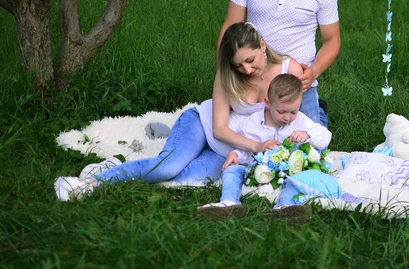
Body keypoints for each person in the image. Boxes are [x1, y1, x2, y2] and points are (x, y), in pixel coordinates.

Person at [54, 22, 304, 201]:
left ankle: (116, 166)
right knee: (167, 167)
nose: (247, 70)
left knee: (182, 179)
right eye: (239, 65)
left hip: (229, 152)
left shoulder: (288, 68)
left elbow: (298, 115)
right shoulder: (227, 76)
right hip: (204, 126)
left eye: (250, 61)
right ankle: (89, 183)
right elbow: (219, 128)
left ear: (262, 45)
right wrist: (256, 147)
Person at [217, 0, 340, 128]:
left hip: (297, 84)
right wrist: (225, 71)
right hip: (252, 78)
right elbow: (231, 26)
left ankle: (317, 111)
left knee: (314, 149)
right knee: (242, 144)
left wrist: (314, 72)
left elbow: (332, 40)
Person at [196, 74, 331, 218]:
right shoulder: (252, 123)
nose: (287, 117)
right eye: (281, 112)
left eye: (293, 112)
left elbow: (325, 136)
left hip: (289, 171)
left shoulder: (301, 121)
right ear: (267, 103)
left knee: (299, 179)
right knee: (232, 170)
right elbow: (246, 150)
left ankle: (286, 206)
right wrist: (236, 154)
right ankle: (228, 202)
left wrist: (307, 134)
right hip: (258, 170)